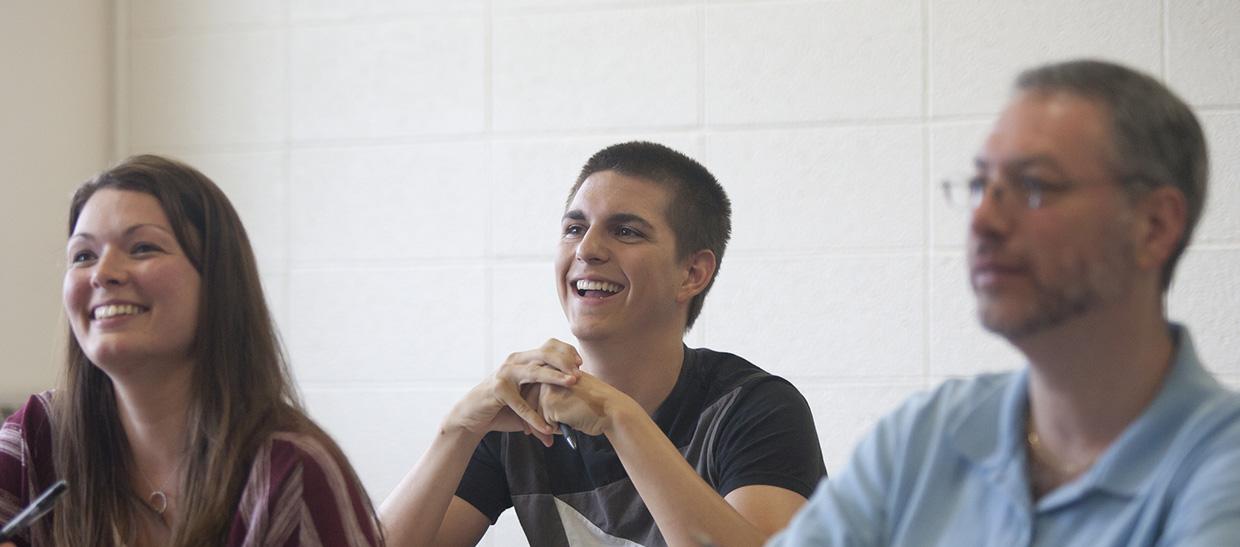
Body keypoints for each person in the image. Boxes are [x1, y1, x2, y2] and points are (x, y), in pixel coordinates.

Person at [770, 59, 1240, 546]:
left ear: (1154, 227)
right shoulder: (927, 434)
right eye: (980, 186)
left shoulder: (1221, 468)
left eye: (1035, 186)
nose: (983, 221)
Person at [382, 141, 826, 546]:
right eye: (574, 229)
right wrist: (457, 431)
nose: (587, 249)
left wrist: (619, 419)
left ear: (692, 273)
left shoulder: (754, 407)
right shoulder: (519, 419)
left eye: (626, 232)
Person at [0, 156, 383, 546]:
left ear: (217, 282)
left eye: (143, 247)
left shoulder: (289, 474)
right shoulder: (35, 439)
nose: (103, 272)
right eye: (83, 255)